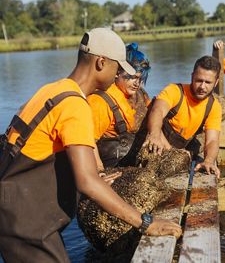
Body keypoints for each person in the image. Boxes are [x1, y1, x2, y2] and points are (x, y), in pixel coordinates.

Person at [0, 28, 182, 263]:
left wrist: (95, 174)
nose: (118, 75)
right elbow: (86, 182)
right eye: (118, 68)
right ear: (101, 62)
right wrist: (145, 222)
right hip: (25, 224)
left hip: (19, 213)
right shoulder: (76, 106)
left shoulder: (52, 90)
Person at [145, 55, 222, 179]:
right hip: (157, 144)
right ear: (192, 76)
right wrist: (154, 135)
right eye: (198, 80)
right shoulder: (175, 91)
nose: (202, 86)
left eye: (208, 82)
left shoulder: (214, 106)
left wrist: (209, 161)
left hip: (179, 151)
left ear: (216, 82)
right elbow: (157, 110)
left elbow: (212, 140)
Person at [88, 42, 151, 169]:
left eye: (140, 79)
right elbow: (88, 142)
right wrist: (99, 170)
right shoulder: (100, 101)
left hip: (134, 162)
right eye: (132, 77)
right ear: (117, 73)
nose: (136, 83)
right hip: (110, 165)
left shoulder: (142, 96)